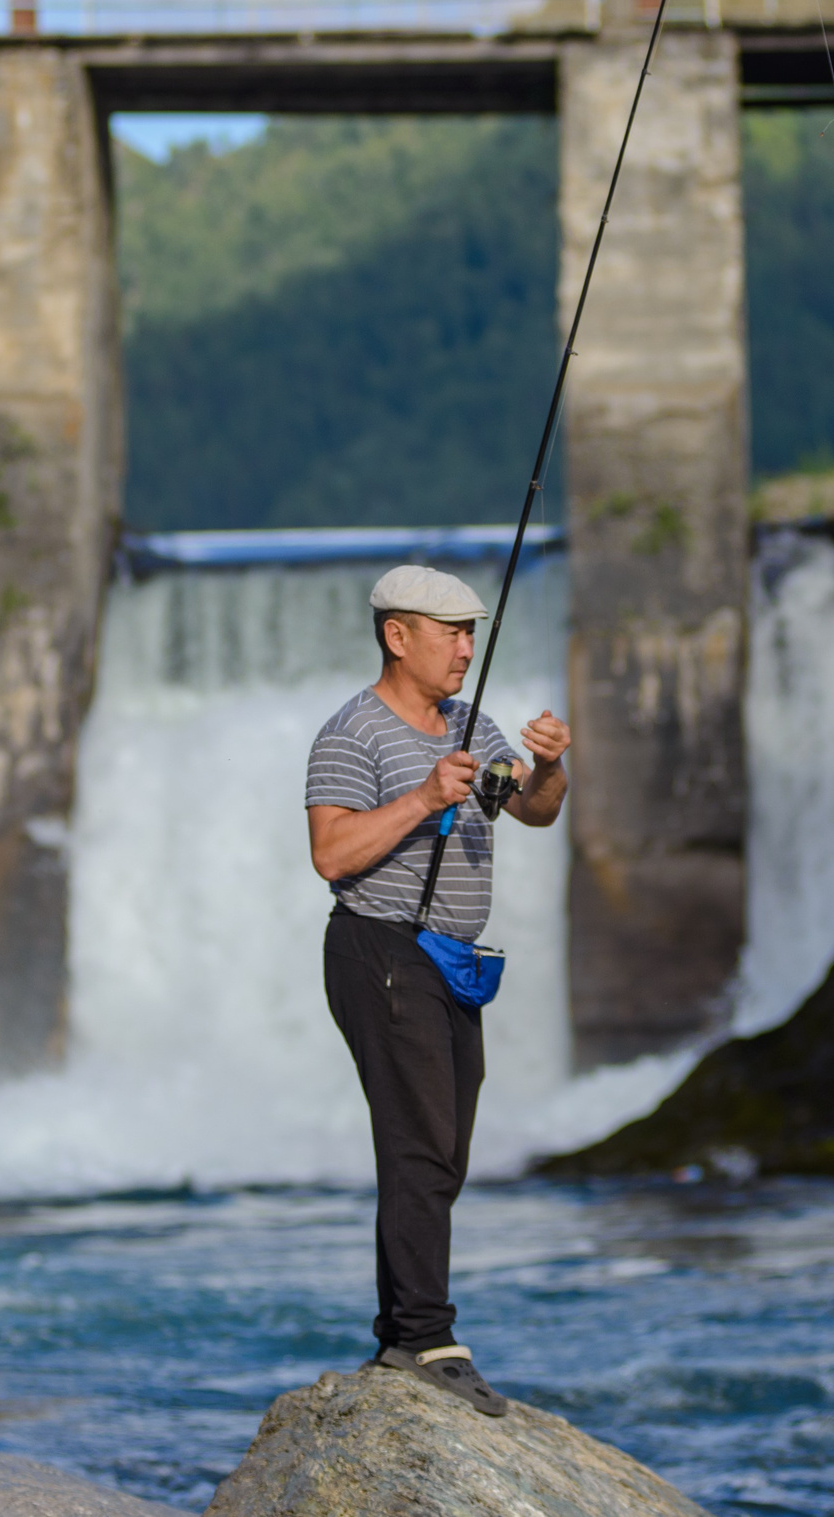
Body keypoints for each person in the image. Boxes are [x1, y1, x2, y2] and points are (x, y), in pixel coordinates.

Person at [303, 563, 570, 1418]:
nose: (467, 646)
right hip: (379, 948)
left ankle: (402, 1327)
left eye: (473, 632)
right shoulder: (352, 733)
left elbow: (533, 809)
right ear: (397, 634)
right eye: (452, 631)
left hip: (450, 960)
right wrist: (424, 795)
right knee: (420, 1139)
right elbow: (332, 855)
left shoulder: (470, 720)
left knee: (445, 1145)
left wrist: (551, 767)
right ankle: (422, 1336)